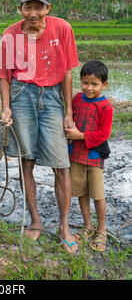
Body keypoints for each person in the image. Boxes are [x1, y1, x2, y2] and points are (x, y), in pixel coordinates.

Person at [0, 0, 79, 254]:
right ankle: (35, 221)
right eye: (28, 6)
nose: (33, 12)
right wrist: (6, 108)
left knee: (61, 164)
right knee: (26, 160)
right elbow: (4, 77)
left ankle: (64, 227)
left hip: (53, 97)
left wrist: (68, 112)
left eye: (39, 7)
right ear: (20, 8)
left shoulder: (62, 28)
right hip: (22, 95)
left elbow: (67, 72)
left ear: (48, 8)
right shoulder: (10, 34)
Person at [65, 60, 113, 252]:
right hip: (75, 156)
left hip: (94, 157)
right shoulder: (76, 99)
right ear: (81, 81)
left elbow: (104, 134)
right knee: (81, 192)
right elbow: (69, 117)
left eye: (95, 84)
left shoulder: (106, 106)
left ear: (104, 85)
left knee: (97, 195)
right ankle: (88, 226)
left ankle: (101, 229)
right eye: (86, 82)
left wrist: (81, 136)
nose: (89, 88)